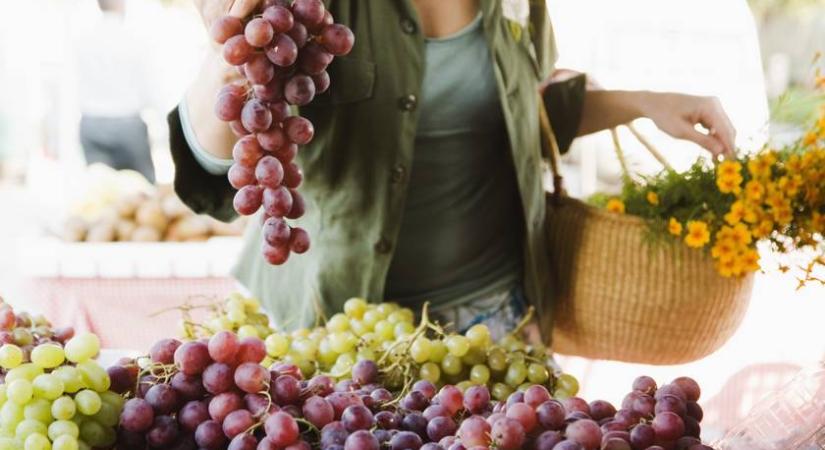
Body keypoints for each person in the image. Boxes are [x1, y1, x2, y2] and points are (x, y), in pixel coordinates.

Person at [169, 0, 736, 339]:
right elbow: (217, 164)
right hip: (333, 327)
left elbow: (523, 110)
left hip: (496, 317)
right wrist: (230, 50)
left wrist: (645, 103)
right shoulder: (313, 6)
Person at [74, 0, 156, 182]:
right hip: (128, 124)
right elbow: (149, 88)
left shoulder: (83, 39)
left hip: (91, 122)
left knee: (102, 193)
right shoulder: (134, 38)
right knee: (143, 192)